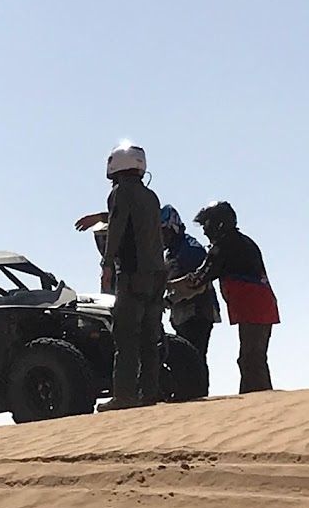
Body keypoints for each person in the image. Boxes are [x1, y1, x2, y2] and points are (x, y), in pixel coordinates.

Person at [75, 144, 166, 411]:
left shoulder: (120, 192)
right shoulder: (151, 196)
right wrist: (100, 216)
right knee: (150, 338)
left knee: (126, 337)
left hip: (133, 273)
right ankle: (150, 393)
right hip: (157, 275)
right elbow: (131, 217)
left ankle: (124, 396)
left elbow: (117, 226)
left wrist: (107, 263)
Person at [169, 201, 279, 393]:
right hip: (260, 304)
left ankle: (259, 398)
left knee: (251, 358)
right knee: (253, 357)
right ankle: (260, 396)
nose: (204, 231)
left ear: (218, 224)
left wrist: (167, 291)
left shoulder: (223, 247)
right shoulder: (241, 241)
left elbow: (198, 279)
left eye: (206, 225)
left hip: (253, 305)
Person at [160, 204, 221, 397]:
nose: (160, 237)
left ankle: (197, 395)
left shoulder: (190, 249)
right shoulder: (172, 250)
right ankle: (187, 394)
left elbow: (198, 283)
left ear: (173, 227)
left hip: (197, 312)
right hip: (182, 313)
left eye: (163, 231)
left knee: (195, 356)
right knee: (185, 356)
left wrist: (169, 300)